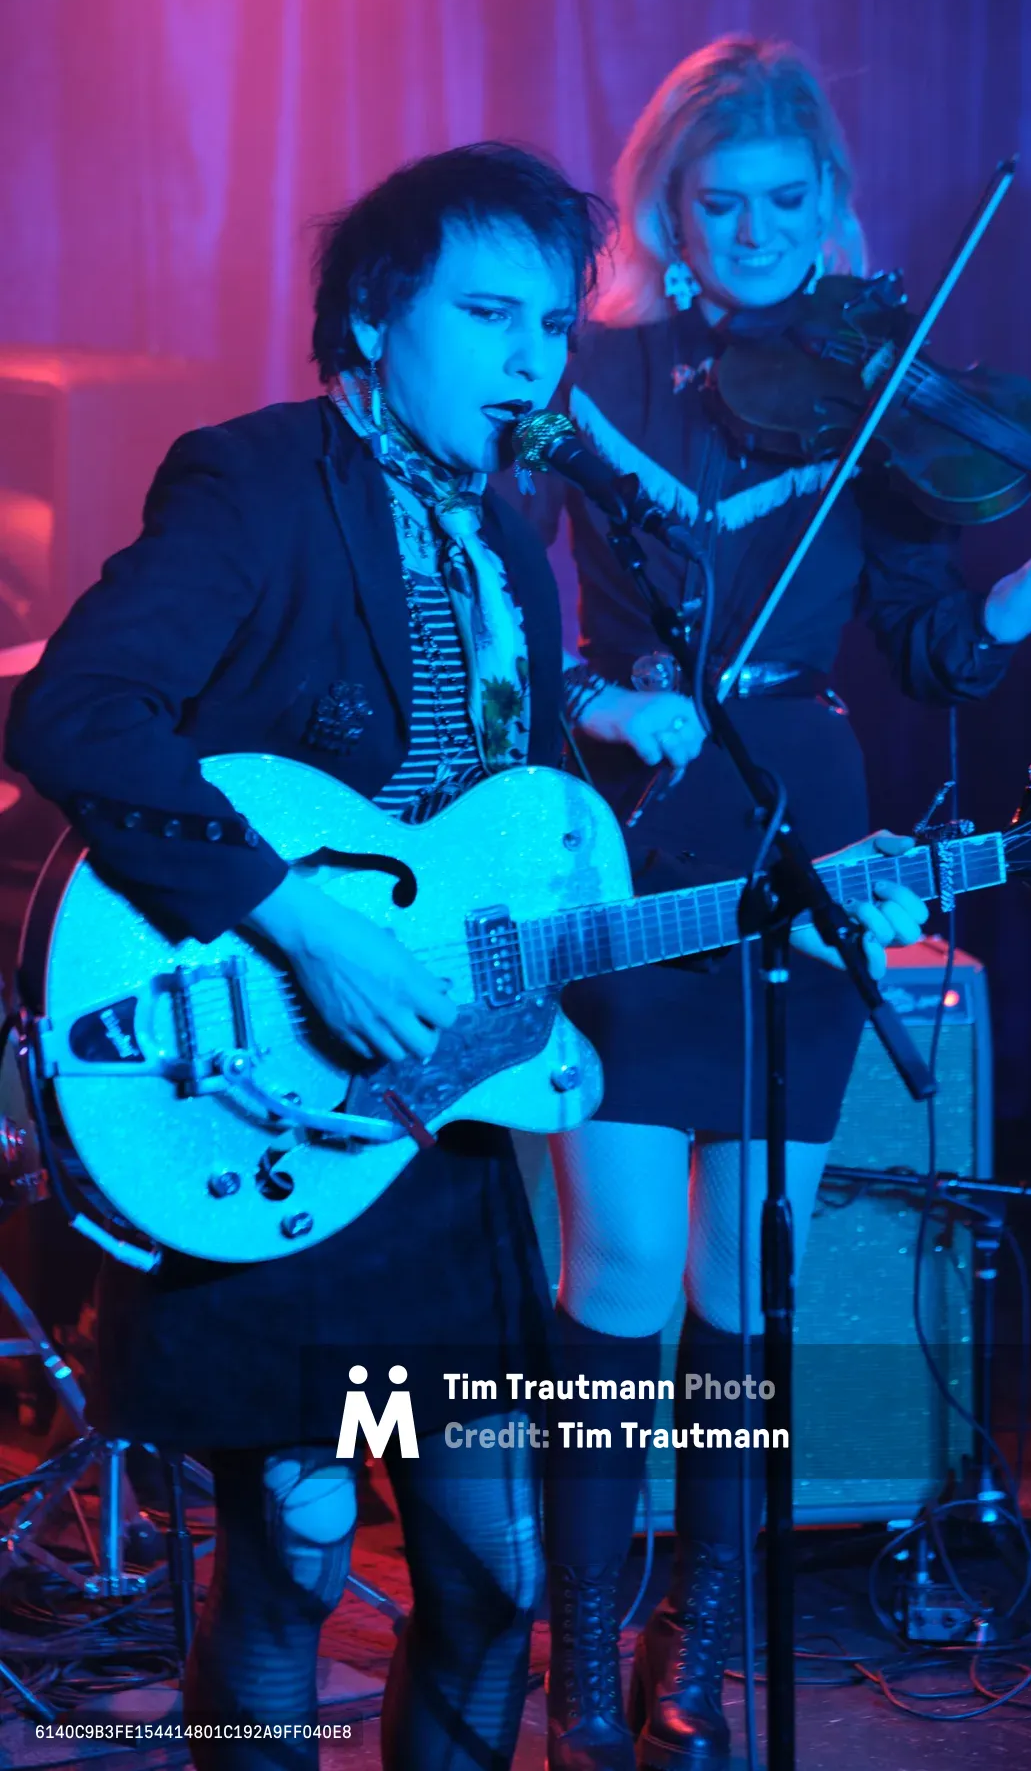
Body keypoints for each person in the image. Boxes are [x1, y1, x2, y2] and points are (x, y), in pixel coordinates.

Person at [527, 38, 1031, 1771]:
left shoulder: (872, 398)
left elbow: (938, 650)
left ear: (831, 205)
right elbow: (510, 617)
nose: (754, 235)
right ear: (668, 210)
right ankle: (581, 1654)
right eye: (718, 204)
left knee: (752, 1278)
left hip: (801, 823)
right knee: (620, 1266)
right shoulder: (587, 373)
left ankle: (702, 1648)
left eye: (786, 202)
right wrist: (595, 702)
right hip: (623, 826)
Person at [5, 142, 626, 1771]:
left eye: (552, 325)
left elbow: (488, 849)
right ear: (371, 316)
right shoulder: (259, 481)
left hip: (430, 1128)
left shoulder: (513, 550)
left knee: (494, 1578)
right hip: (258, 1091)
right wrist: (301, 921)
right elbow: (74, 716)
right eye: (487, 314)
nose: (529, 359)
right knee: (288, 1560)